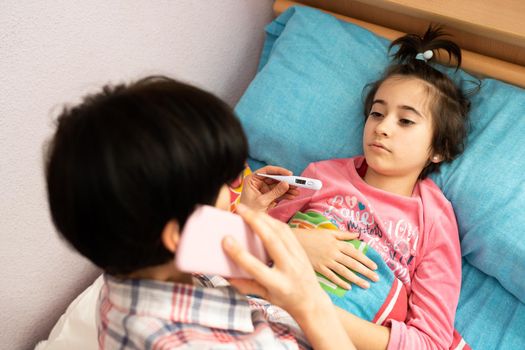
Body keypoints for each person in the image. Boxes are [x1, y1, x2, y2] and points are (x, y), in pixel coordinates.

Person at [44, 76, 355, 349]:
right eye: (224, 183)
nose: (235, 184)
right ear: (177, 234)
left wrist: (243, 214)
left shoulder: (138, 267)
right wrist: (311, 304)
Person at [269, 26, 471, 349]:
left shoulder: (434, 219)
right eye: (377, 113)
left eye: (406, 121)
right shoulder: (321, 176)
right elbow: (250, 234)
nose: (383, 127)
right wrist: (294, 240)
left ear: (439, 149)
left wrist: (312, 310)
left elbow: (430, 342)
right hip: (264, 311)